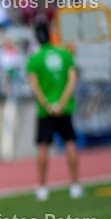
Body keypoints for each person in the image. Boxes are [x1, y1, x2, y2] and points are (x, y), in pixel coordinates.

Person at [26, 21, 82, 201]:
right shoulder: (65, 54)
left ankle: (42, 188)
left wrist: (47, 104)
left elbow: (34, 86)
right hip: (65, 108)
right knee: (70, 143)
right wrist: (63, 102)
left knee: (43, 146)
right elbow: (72, 80)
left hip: (45, 111)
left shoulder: (34, 59)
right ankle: (74, 185)